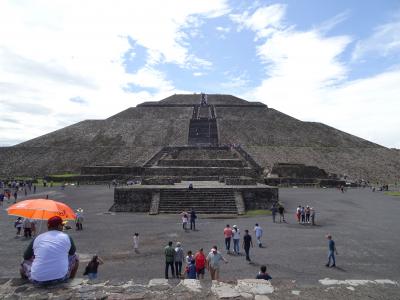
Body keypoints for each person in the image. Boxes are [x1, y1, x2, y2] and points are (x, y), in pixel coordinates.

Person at [20, 216, 79, 285]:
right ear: (59, 226)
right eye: (62, 225)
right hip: (61, 278)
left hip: (37, 280)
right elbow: (72, 252)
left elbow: (26, 256)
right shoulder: (66, 236)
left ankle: (25, 283)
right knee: (75, 256)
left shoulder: (38, 237)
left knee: (23, 262)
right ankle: (70, 280)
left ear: (48, 226)